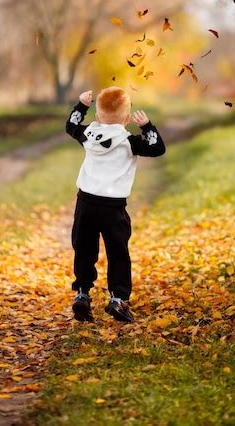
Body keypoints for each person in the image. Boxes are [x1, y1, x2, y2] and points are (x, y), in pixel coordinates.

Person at [66, 86, 166, 323]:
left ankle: (82, 292)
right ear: (127, 118)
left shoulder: (89, 135)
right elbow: (157, 148)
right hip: (113, 208)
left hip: (86, 203)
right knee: (118, 252)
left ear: (98, 117)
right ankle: (118, 299)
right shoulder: (129, 142)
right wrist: (147, 126)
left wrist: (82, 105)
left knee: (84, 248)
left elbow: (71, 125)